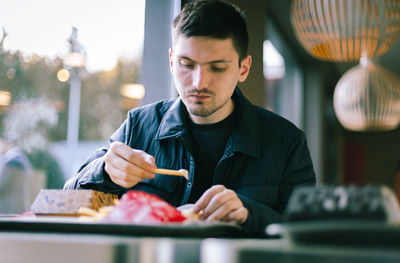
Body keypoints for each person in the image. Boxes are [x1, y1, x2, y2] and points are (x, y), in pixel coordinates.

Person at [64, 0, 316, 236]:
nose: (199, 82)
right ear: (172, 62)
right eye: (187, 64)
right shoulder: (138, 127)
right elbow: (65, 202)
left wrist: (250, 214)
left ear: (244, 68)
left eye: (217, 68)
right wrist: (105, 171)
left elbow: (309, 232)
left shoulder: (286, 141)